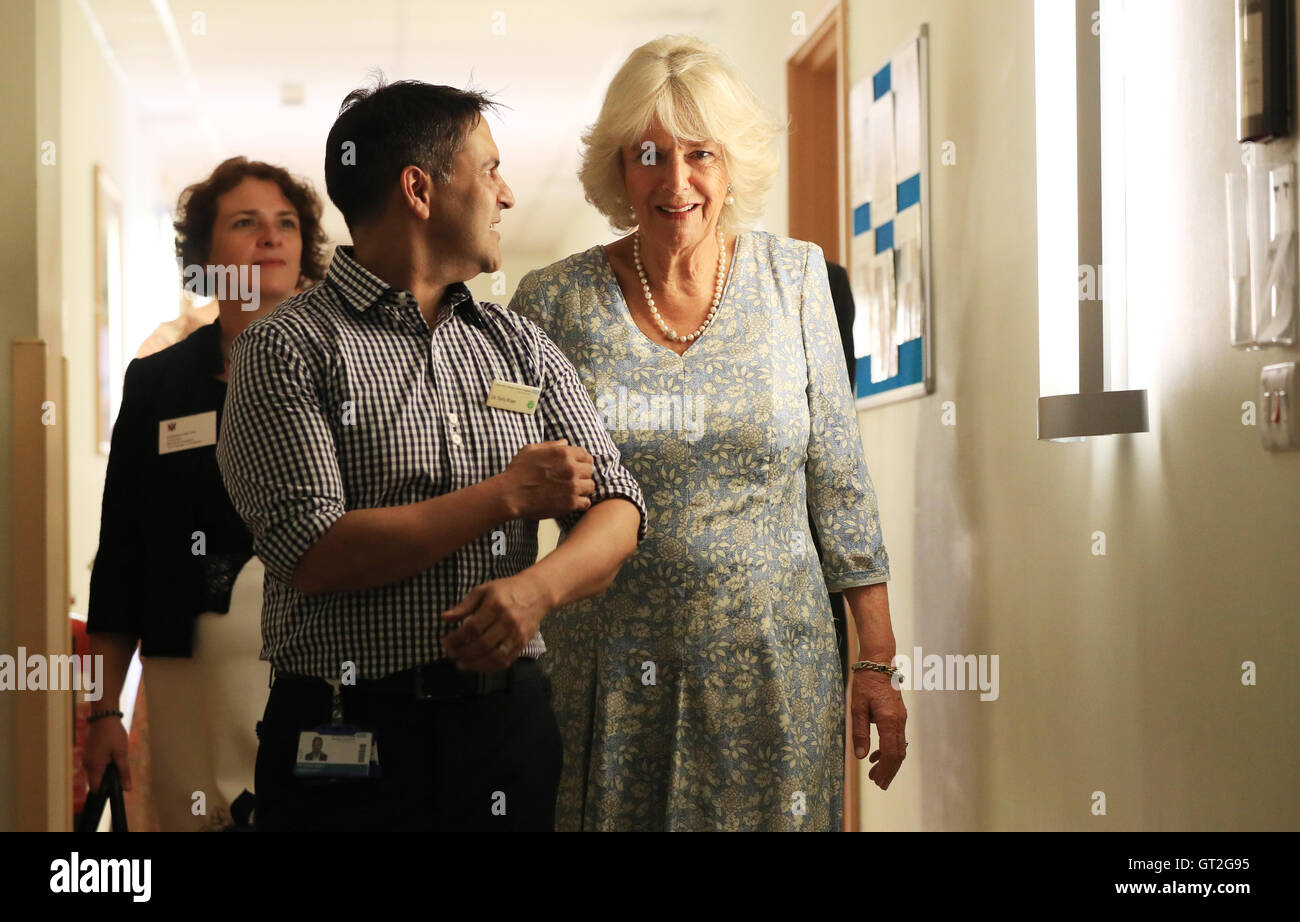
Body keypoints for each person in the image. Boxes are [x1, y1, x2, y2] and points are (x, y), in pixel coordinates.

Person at [216, 79, 647, 832]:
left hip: (504, 730)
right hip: (348, 739)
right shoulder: (286, 349)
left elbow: (620, 505)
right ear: (419, 189)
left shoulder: (514, 341)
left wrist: (536, 591)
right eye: (489, 170)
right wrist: (505, 496)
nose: (506, 195)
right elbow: (314, 551)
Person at [508, 35, 907, 831]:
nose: (676, 181)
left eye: (701, 154)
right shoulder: (551, 300)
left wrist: (875, 660)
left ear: (731, 164)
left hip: (776, 663)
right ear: (620, 168)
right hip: (608, 668)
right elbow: (510, 489)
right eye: (650, 154)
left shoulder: (796, 280)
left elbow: (839, 478)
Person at [84, 156, 328, 831]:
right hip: (188, 678)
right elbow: (121, 555)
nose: (270, 237)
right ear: (204, 254)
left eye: (285, 223)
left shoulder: (342, 369)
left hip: (318, 667)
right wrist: (103, 710)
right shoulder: (159, 384)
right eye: (245, 223)